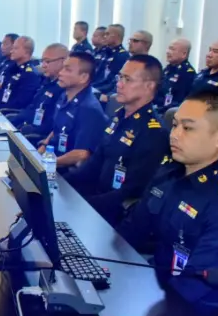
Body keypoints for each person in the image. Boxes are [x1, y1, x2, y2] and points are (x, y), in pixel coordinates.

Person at [119, 91, 218, 310]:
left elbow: (193, 287)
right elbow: (133, 229)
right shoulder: (170, 171)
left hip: (196, 310)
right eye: (175, 125)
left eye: (188, 128)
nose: (174, 135)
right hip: (155, 282)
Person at [64, 55, 169, 225]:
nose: (119, 84)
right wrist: (60, 184)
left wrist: (82, 205)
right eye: (120, 77)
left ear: (149, 86)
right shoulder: (118, 117)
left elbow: (131, 192)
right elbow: (93, 165)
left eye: (127, 79)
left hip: (116, 215)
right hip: (96, 198)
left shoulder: (153, 132)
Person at [38, 52, 108, 170]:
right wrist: (43, 146)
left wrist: (48, 163)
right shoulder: (64, 96)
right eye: (62, 68)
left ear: (83, 78)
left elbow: (82, 153)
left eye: (67, 70)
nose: (60, 73)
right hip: (52, 157)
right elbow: (57, 129)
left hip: (66, 168)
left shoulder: (89, 109)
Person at [10, 43, 68, 140]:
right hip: (25, 127)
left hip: (36, 136)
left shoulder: (63, 89)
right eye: (42, 61)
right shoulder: (46, 82)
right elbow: (32, 108)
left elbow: (52, 124)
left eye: (47, 61)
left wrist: (28, 129)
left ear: (62, 61)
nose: (43, 65)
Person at [0, 36, 42, 110]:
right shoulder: (13, 67)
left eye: (15, 48)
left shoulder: (30, 75)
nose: (11, 51)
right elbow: (3, 90)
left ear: (26, 53)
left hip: (5, 112)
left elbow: (19, 103)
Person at [155, 38, 196, 111]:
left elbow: (181, 101)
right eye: (168, 48)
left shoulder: (187, 73)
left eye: (172, 49)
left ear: (184, 54)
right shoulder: (168, 69)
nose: (167, 52)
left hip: (170, 112)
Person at [93, 24, 130, 102]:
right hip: (97, 87)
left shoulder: (122, 55)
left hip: (105, 93)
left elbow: (112, 80)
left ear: (116, 36)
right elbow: (98, 74)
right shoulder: (105, 52)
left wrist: (95, 89)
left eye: (107, 34)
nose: (104, 37)